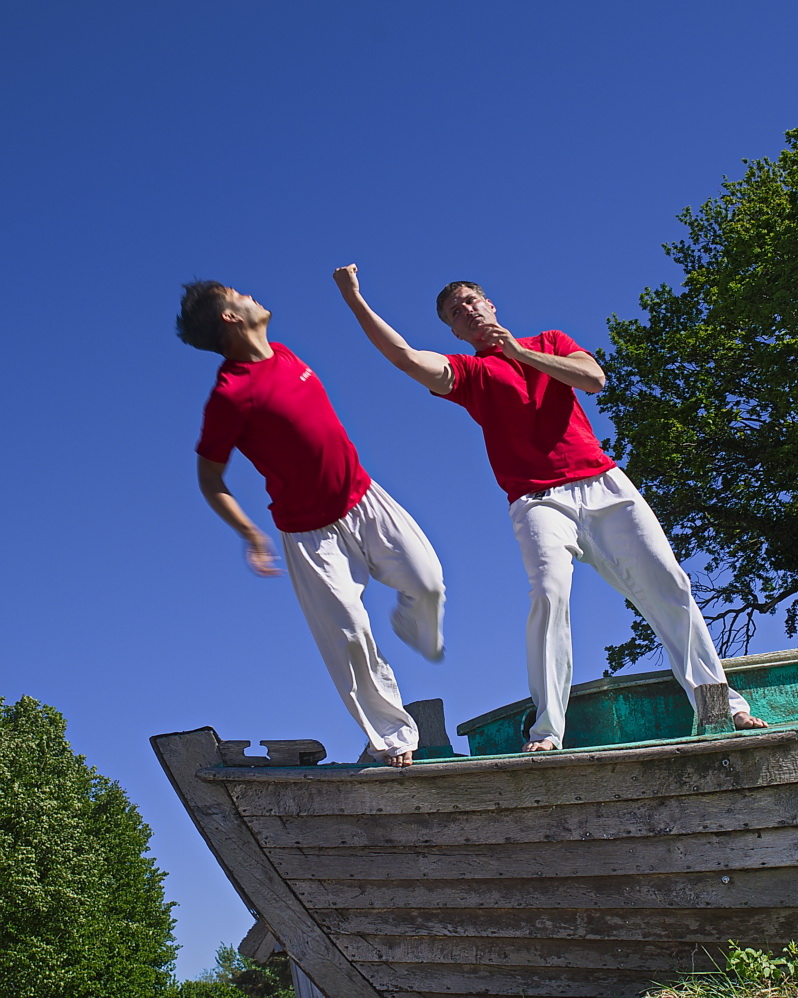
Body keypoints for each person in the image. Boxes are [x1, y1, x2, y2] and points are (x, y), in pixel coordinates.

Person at [332, 263, 766, 751]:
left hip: (604, 485)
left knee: (669, 585)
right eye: (456, 312)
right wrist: (354, 298)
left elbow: (593, 379)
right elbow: (407, 358)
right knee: (549, 595)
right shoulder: (472, 373)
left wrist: (519, 351)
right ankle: (548, 730)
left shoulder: (551, 342)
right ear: (454, 330)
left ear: (490, 305)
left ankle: (721, 704)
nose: (467, 311)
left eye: (472, 301)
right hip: (538, 500)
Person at [176, 280, 445, 767]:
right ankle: (392, 736)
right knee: (348, 636)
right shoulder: (229, 396)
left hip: (365, 498)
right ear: (229, 318)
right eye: (239, 294)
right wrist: (251, 533)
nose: (252, 294)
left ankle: (409, 621)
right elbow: (210, 478)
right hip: (309, 532)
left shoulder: (284, 352)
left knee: (428, 583)